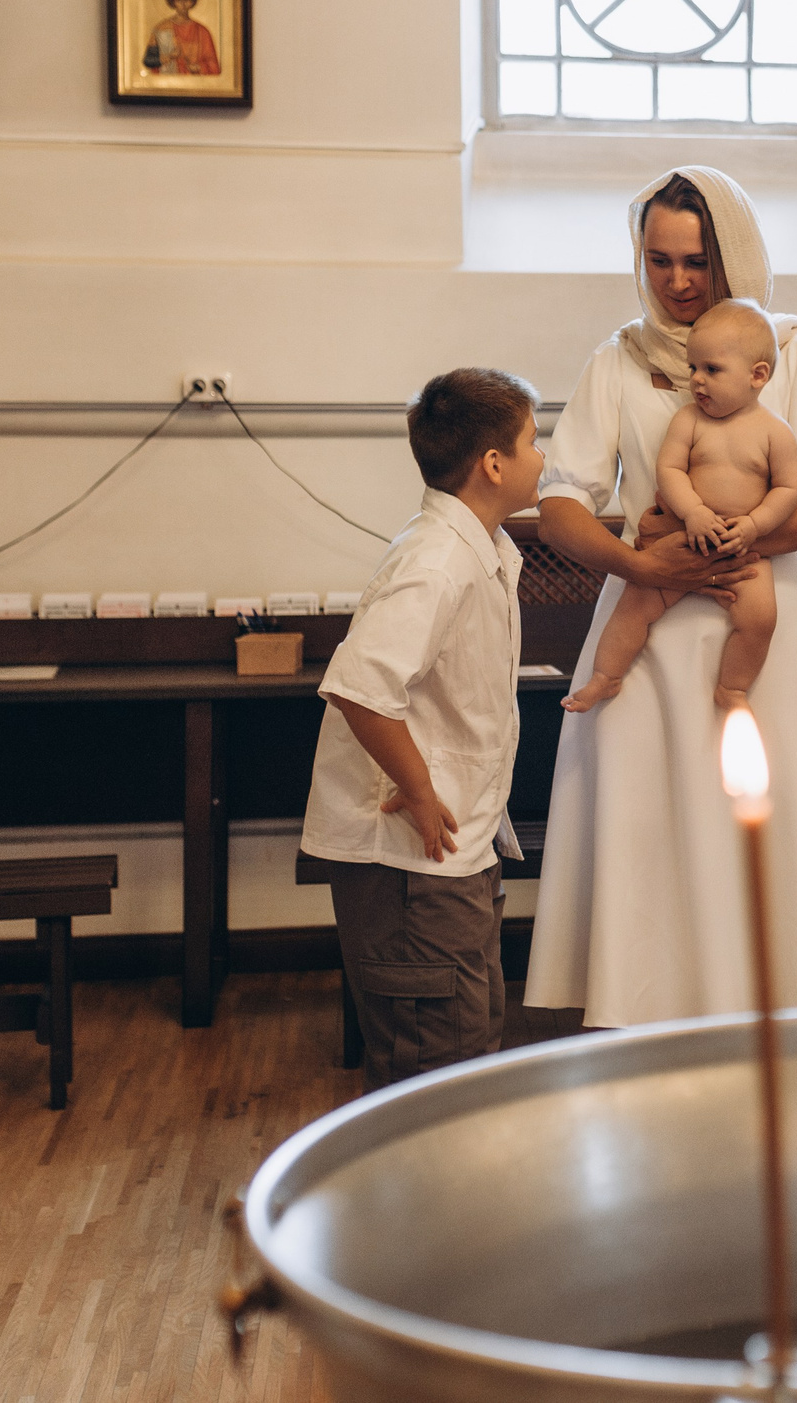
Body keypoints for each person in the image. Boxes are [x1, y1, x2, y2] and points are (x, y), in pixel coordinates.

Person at [524, 167, 797, 1025]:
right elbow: (560, 501)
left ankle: (771, 1029)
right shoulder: (618, 359)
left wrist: (730, 538)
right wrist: (642, 568)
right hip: (647, 629)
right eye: (659, 261)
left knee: (757, 826)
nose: (678, 282)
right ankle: (642, 1029)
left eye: (697, 262)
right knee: (647, 831)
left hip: (759, 625)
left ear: (734, 255)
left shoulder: (791, 352)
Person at [299, 368, 545, 1091]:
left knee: (469, 1041)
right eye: (534, 442)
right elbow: (362, 689)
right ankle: (422, 1206)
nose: (542, 458)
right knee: (432, 1068)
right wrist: (418, 786)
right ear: (492, 464)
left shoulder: (478, 546)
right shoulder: (437, 560)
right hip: (410, 863)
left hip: (454, 851)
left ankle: (456, 1202)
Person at [562, 300, 797, 714]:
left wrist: (754, 525)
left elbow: (788, 487)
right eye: (693, 368)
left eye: (711, 370)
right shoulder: (690, 420)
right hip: (681, 541)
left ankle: (733, 688)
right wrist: (692, 511)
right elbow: (669, 468)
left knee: (760, 620)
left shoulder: (774, 432)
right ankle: (605, 676)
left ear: (757, 375)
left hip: (741, 551)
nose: (696, 380)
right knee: (634, 607)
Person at [144, 0, 221, 76]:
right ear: (172, 2)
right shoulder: (162, 27)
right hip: (169, 82)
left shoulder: (202, 31)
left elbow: (214, 66)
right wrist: (169, 57)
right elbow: (148, 61)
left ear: (192, 2)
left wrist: (198, 67)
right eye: (179, 0)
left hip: (196, 83)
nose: (183, 4)